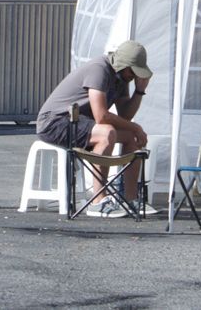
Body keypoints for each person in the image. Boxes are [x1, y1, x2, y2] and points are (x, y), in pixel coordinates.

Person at [35, 40, 155, 218]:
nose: (134, 76)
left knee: (131, 136)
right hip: (55, 122)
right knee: (107, 133)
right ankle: (98, 201)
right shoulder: (100, 69)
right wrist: (137, 127)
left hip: (80, 123)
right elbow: (101, 116)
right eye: (133, 71)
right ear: (123, 64)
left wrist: (139, 91)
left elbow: (125, 116)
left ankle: (131, 199)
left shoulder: (122, 77)